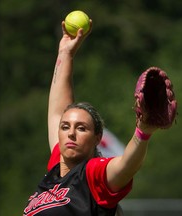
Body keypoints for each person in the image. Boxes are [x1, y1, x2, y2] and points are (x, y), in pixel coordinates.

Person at [23, 19, 158, 216]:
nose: (71, 133)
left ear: (97, 137)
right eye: (65, 127)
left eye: (81, 128)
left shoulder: (92, 174)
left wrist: (143, 132)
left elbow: (126, 165)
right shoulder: (56, 170)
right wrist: (65, 53)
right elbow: (56, 112)